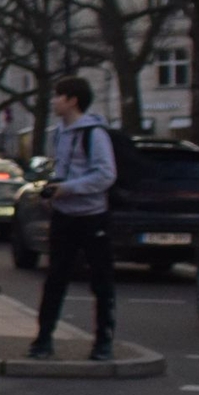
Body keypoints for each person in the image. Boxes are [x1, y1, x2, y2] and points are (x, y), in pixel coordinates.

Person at [29, 75, 120, 361]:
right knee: (55, 277)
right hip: (64, 216)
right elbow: (63, 170)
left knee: (101, 280)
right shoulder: (59, 133)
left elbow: (106, 175)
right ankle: (43, 339)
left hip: (92, 216)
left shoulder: (94, 133)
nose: (53, 101)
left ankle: (103, 341)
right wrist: (53, 191)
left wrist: (67, 189)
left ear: (72, 100)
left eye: (58, 96)